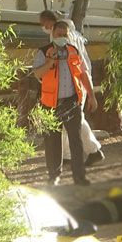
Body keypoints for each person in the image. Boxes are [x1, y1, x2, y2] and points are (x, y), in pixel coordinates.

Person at [32, 21, 98, 186]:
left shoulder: (73, 51)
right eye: (58, 34)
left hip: (72, 101)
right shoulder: (43, 52)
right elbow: (37, 74)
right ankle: (54, 176)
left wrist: (91, 96)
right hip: (50, 104)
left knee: (76, 141)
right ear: (52, 33)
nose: (61, 38)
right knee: (52, 142)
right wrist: (49, 63)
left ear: (69, 35)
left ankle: (80, 177)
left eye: (64, 35)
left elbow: (83, 74)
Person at [39, 10, 105, 166]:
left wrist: (90, 94)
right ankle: (68, 155)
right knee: (65, 120)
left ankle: (93, 151)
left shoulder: (61, 34)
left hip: (76, 81)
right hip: (74, 80)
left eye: (44, 23)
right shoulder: (67, 31)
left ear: (50, 22)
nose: (43, 27)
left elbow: (74, 62)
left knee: (76, 120)